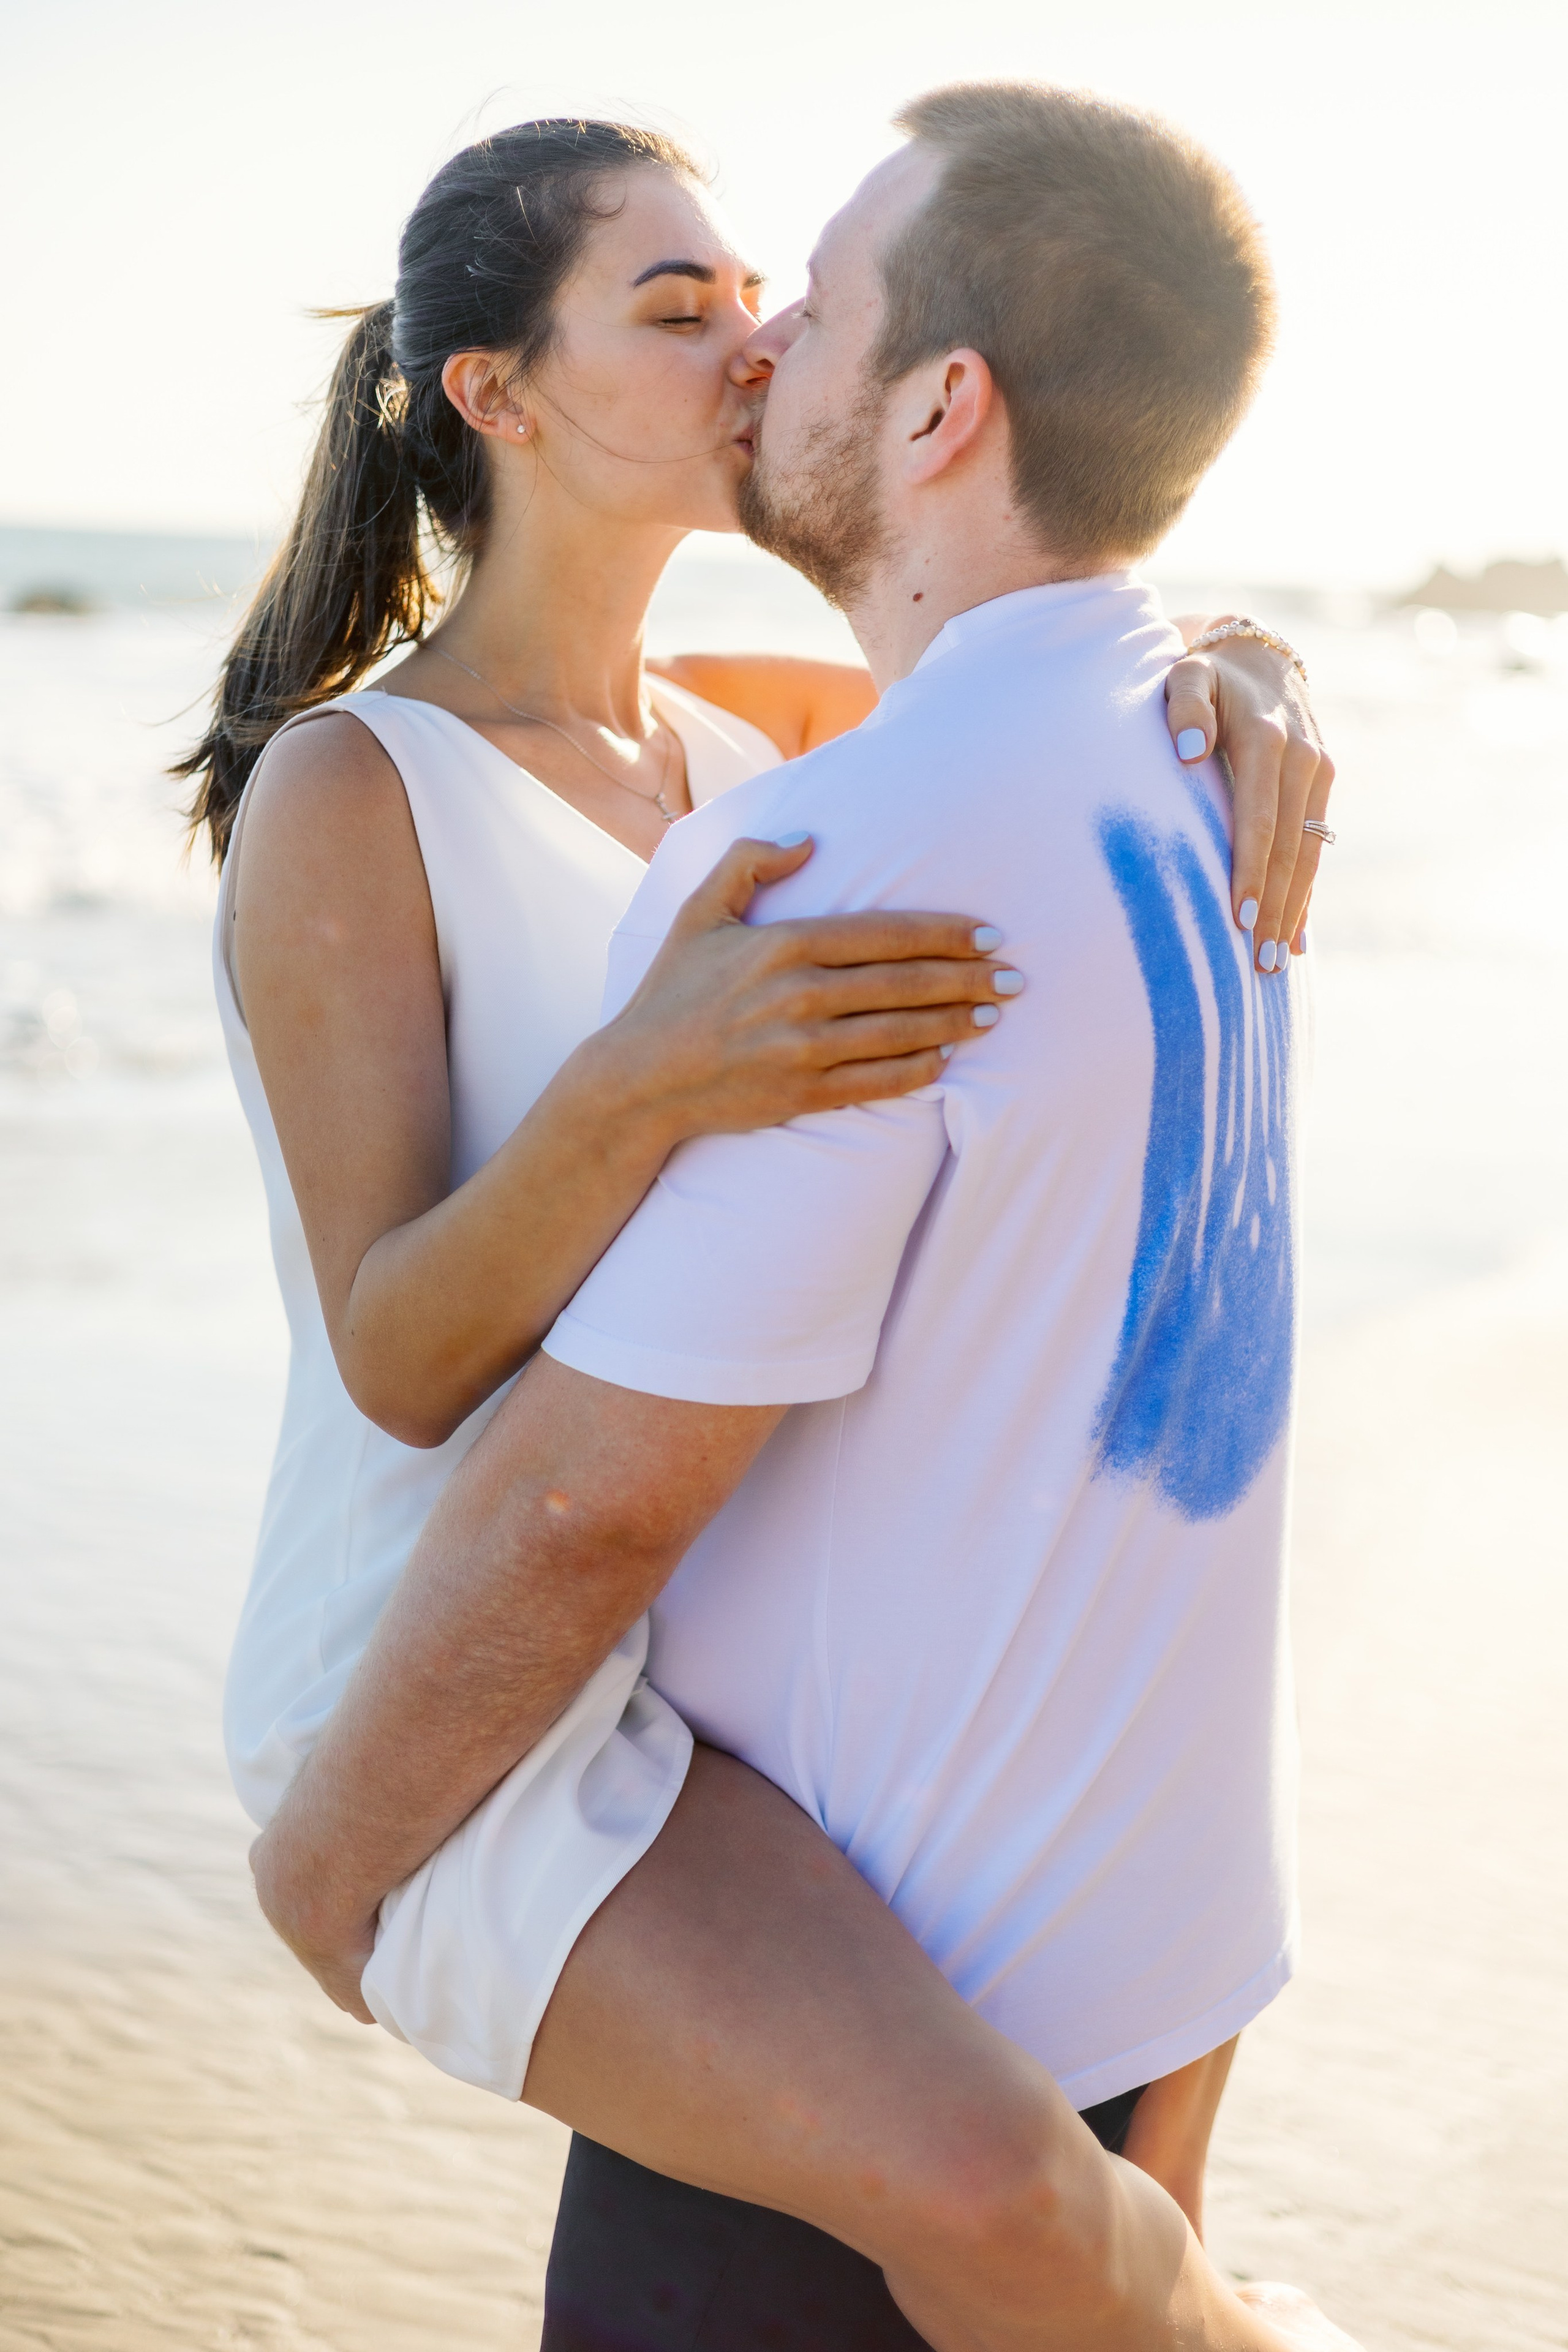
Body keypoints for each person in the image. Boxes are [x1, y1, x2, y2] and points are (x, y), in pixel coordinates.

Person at [235, 86, 1354, 2352]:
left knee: (1040, 2207)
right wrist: (651, 1077)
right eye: (682, 308)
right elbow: (393, 1350)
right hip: (446, 1640)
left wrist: (1246, 668)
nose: (753, 348)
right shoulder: (352, 788)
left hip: (668, 1659)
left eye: (770, 303)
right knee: (1015, 2212)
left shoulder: (744, 749)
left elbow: (1026, 688)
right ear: (496, 393)